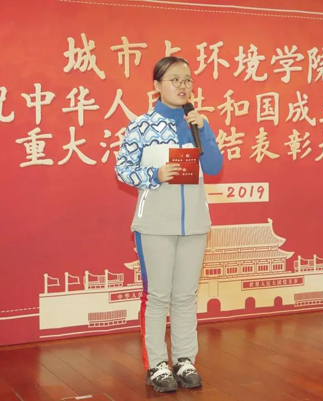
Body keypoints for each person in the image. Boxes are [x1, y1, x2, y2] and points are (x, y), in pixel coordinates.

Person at [115, 56, 223, 391]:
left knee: (186, 295)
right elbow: (122, 169)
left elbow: (215, 167)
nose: (183, 86)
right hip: (155, 225)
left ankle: (184, 359)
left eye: (187, 79)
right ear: (157, 85)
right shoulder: (141, 126)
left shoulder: (197, 123)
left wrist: (204, 130)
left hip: (194, 224)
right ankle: (157, 364)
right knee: (158, 296)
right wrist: (155, 174)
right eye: (174, 79)